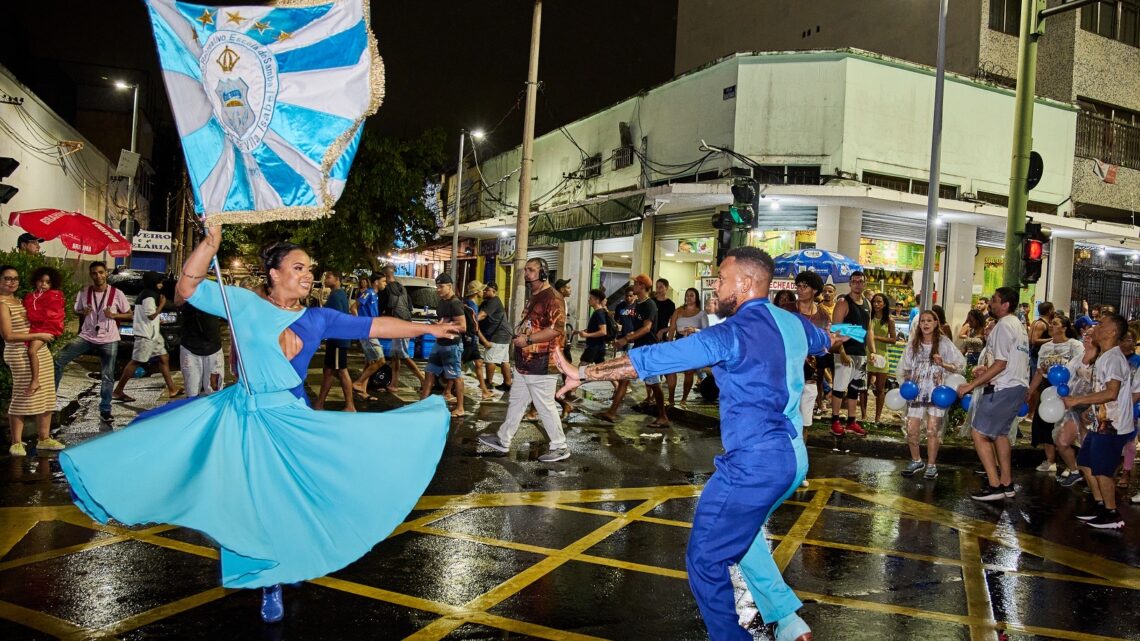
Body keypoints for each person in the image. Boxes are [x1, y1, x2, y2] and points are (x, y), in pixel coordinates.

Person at [59, 226, 458, 623]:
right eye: (298, 267)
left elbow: (375, 327)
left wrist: (429, 328)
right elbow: (187, 289)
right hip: (246, 417)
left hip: (292, 417)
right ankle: (270, 582)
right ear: (274, 273)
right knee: (257, 503)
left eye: (310, 269)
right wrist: (210, 243)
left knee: (301, 495)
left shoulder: (316, 317)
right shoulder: (243, 305)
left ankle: (291, 560)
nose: (307, 275)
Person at [552, 246, 836, 641]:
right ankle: (787, 619)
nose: (715, 286)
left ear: (748, 283)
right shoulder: (790, 323)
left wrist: (584, 372)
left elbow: (654, 358)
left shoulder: (732, 333)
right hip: (793, 460)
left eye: (722, 278)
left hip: (753, 465)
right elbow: (824, 340)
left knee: (705, 559)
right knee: (743, 531)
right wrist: (832, 336)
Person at [476, 257, 570, 462]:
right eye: (526, 270)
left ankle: (560, 446)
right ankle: (503, 439)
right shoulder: (535, 295)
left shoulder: (552, 297)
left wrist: (528, 339)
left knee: (545, 405)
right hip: (525, 362)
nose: (526, 273)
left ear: (543, 273)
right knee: (517, 402)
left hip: (543, 361)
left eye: (531, 270)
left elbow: (556, 329)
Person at [955, 287, 1030, 501]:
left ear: (1005, 304)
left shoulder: (1004, 325)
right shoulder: (1017, 325)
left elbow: (1000, 364)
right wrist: (985, 370)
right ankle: (1006, 483)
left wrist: (971, 385)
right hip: (1015, 385)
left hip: (1003, 387)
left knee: (979, 432)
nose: (991, 304)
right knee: (999, 434)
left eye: (995, 300)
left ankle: (995, 485)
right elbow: (1009, 361)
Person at [1062, 313, 1132, 529]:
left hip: (1112, 425)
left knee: (1102, 470)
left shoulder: (1113, 358)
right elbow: (1103, 391)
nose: (1095, 327)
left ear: (1112, 332)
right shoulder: (1105, 356)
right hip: (1100, 422)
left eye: (1101, 324)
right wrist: (1089, 411)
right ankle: (1101, 506)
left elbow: (1111, 393)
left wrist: (1077, 401)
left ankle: (1112, 514)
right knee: (1085, 462)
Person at [54, 261, 132, 424]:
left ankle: (105, 410)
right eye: (95, 273)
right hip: (87, 336)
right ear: (91, 275)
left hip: (109, 338)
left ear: (106, 274)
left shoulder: (117, 293)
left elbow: (129, 314)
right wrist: (83, 312)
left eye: (101, 272)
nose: (98, 276)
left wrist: (114, 316)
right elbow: (76, 310)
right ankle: (49, 399)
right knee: (59, 359)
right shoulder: (84, 292)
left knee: (107, 375)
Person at [1, 265, 65, 456]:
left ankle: (44, 438)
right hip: (18, 353)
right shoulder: (3, 304)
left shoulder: (22, 300)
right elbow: (8, 335)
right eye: (7, 278)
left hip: (39, 350)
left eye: (15, 278)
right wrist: (40, 335)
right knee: (22, 394)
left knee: (46, 393)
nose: (12, 282)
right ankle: (16, 442)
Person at [896, 310, 965, 479]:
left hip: (937, 392)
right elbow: (905, 368)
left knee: (933, 430)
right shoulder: (913, 343)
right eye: (922, 321)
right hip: (917, 392)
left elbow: (959, 366)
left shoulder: (944, 343)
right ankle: (916, 460)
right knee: (911, 429)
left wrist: (944, 364)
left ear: (936, 323)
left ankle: (932, 465)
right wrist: (907, 381)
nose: (925, 324)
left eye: (929, 321)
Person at [1025, 315, 1082, 474]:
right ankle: (1050, 460)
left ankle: (1070, 465)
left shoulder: (1074, 345)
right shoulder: (1045, 347)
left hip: (1067, 388)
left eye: (1055, 324)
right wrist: (1030, 391)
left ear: (1064, 328)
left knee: (1065, 425)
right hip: (1048, 388)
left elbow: (1080, 368)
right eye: (1051, 323)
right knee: (1045, 423)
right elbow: (1039, 372)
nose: (1051, 325)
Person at [112, 272, 179, 402]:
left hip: (153, 333)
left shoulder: (149, 294)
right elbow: (150, 315)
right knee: (136, 361)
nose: (161, 284)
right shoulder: (149, 296)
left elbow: (147, 316)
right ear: (153, 282)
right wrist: (162, 305)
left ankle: (172, 388)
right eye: (159, 282)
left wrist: (158, 321)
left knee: (164, 357)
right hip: (146, 335)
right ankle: (118, 390)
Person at [830, 271, 873, 436]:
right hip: (845, 352)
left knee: (855, 388)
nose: (857, 284)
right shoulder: (843, 302)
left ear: (864, 284)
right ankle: (834, 420)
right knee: (839, 388)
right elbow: (835, 330)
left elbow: (868, 330)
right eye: (854, 281)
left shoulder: (867, 304)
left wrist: (872, 352)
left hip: (860, 353)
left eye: (860, 281)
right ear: (850, 283)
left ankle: (851, 421)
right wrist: (841, 351)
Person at [420, 273, 467, 417]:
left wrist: (445, 325)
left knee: (455, 376)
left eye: (441, 287)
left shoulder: (455, 303)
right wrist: (438, 325)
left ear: (450, 286)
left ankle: (460, 407)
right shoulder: (441, 302)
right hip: (439, 343)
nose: (438, 290)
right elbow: (443, 321)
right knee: (429, 371)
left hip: (452, 345)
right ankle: (422, 403)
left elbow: (463, 326)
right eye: (437, 287)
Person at [314, 271, 355, 412]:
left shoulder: (337, 295)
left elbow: (333, 318)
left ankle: (350, 405)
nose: (326, 279)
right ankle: (319, 404)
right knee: (328, 371)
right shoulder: (338, 294)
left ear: (337, 279)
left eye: (329, 277)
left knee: (341, 371)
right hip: (335, 339)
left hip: (338, 339)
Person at [380, 265, 425, 392]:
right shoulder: (402, 288)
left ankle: (423, 379)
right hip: (404, 322)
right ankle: (394, 384)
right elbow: (409, 307)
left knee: (403, 355)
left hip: (399, 325)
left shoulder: (387, 289)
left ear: (385, 276)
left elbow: (381, 307)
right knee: (395, 356)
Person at [794, 271, 830, 427]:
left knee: (805, 423)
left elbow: (827, 343)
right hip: (786, 374)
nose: (800, 289)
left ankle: (801, 450)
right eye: (798, 286)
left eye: (804, 286)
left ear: (815, 290)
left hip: (810, 375)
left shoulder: (823, 315)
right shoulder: (787, 309)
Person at [22, 266, 65, 396]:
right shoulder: (30, 296)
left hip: (47, 328)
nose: (44, 285)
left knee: (32, 351)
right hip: (35, 328)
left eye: (48, 282)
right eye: (41, 281)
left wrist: (29, 315)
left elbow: (50, 316)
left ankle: (35, 381)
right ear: (36, 281)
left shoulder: (55, 296)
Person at [668, 287, 709, 406]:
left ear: (696, 298)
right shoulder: (678, 311)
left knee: (689, 372)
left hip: (693, 343)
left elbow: (707, 332)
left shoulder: (701, 313)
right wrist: (669, 344)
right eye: (687, 295)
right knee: (672, 370)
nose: (688, 297)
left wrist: (695, 330)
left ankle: (684, 399)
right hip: (679, 341)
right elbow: (672, 329)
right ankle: (670, 398)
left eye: (691, 295)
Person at [351, 274, 387, 400]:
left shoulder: (375, 295)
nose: (385, 283)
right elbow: (353, 307)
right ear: (376, 282)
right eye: (383, 281)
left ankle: (363, 391)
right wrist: (360, 324)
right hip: (367, 330)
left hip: (371, 330)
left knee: (370, 362)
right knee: (380, 360)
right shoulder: (369, 293)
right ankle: (358, 383)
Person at [178, 300, 224, 398]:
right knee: (192, 391)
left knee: (215, 390)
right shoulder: (186, 291)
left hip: (213, 347)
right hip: (190, 347)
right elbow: (177, 301)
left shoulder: (213, 292)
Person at [867, 292, 897, 426]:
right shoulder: (869, 317)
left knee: (880, 389)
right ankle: (862, 415)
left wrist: (877, 337)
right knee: (863, 388)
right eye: (874, 302)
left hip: (882, 357)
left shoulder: (889, 320)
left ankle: (877, 418)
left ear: (884, 304)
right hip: (868, 354)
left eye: (879, 302)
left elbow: (893, 339)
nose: (876, 304)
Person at [477, 282, 513, 391]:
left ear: (494, 291)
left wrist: (471, 321)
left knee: (490, 359)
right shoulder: (487, 302)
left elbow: (482, 315)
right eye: (483, 290)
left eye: (487, 290)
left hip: (498, 335)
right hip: (503, 334)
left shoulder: (493, 301)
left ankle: (488, 382)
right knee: (504, 360)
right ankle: (507, 383)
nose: (484, 291)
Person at [461, 280, 493, 401]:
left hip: (470, 338)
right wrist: (484, 341)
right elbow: (475, 326)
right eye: (481, 290)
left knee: (478, 363)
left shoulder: (467, 303)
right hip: (470, 339)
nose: (483, 292)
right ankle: (447, 389)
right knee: (459, 364)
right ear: (476, 292)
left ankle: (484, 391)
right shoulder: (471, 305)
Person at [577, 288, 612, 366]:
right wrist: (583, 331)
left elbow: (603, 331)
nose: (588, 300)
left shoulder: (599, 313)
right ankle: (608, 378)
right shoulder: (598, 312)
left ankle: (580, 378)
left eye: (590, 298)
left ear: (597, 300)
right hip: (598, 346)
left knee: (582, 366)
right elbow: (595, 328)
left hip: (594, 346)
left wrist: (587, 335)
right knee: (600, 368)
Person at [1028, 302, 1056, 376]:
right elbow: (1034, 340)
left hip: (1036, 356)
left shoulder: (1035, 322)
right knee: (1037, 379)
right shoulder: (1041, 324)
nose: (1054, 311)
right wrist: (1052, 339)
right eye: (1053, 309)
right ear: (1050, 311)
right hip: (1037, 357)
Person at [653, 278, 676, 343]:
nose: (658, 289)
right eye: (657, 287)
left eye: (661, 287)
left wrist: (662, 331)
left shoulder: (670, 304)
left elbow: (674, 325)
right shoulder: (651, 302)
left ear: (666, 288)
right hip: (648, 337)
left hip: (661, 338)